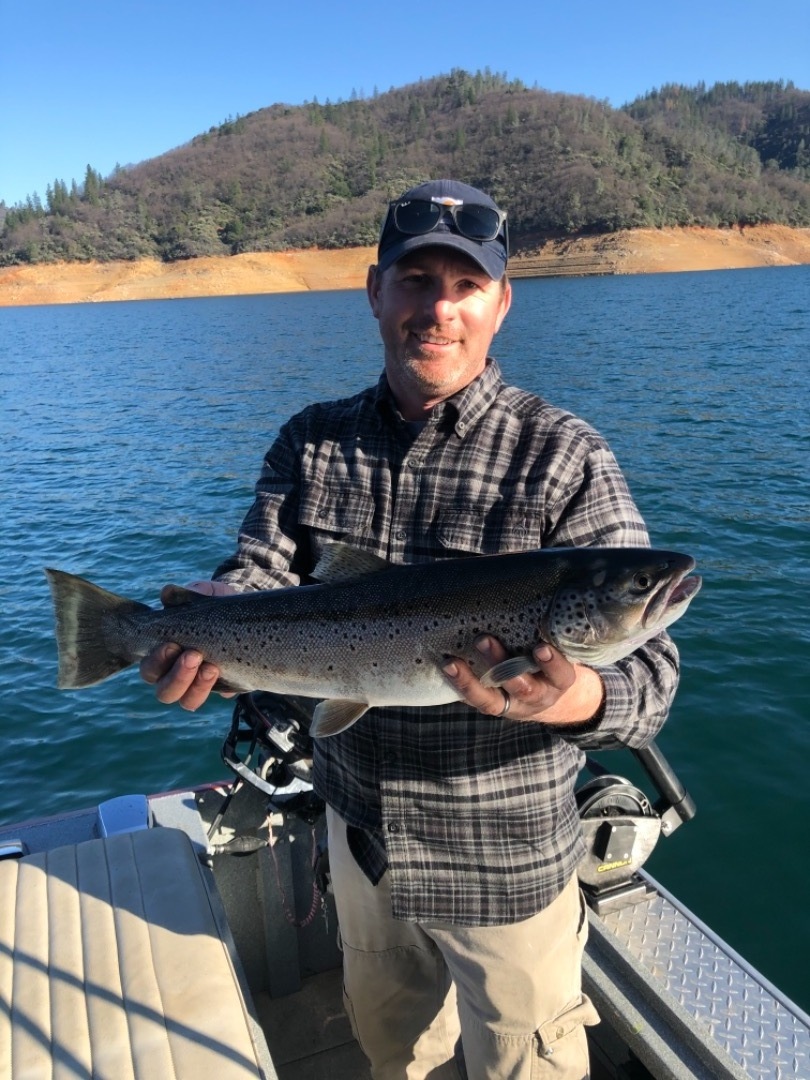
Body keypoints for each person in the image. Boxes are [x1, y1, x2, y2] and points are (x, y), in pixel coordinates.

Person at [141, 179, 680, 1079]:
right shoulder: (311, 444)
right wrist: (213, 626)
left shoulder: (567, 458)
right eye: (415, 279)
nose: (438, 308)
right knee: (392, 1052)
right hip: (361, 851)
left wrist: (579, 695)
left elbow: (654, 682)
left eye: (464, 286)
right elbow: (262, 574)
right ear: (374, 291)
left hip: (507, 868)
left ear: (500, 304)